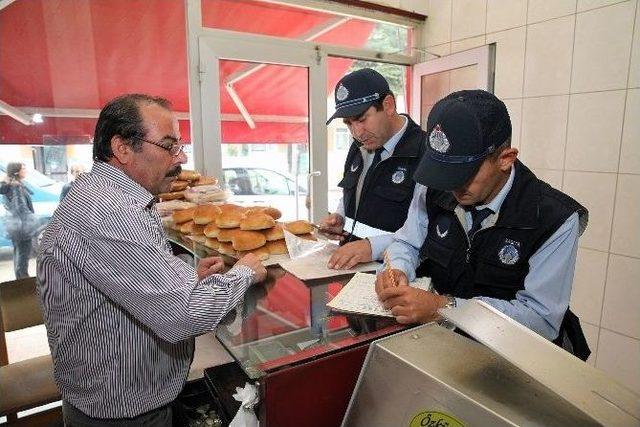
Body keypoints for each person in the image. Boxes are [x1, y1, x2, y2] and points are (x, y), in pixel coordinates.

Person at [37, 93, 268, 425]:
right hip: (123, 412)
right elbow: (180, 317)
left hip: (119, 398)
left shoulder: (110, 196)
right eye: (169, 145)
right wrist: (243, 273)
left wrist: (190, 279)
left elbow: (138, 273)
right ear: (123, 149)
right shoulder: (110, 211)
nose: (181, 157)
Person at [375, 90, 591, 360]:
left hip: (511, 359)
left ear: (505, 159)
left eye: (463, 174)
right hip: (441, 347)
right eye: (443, 172)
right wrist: (396, 269)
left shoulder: (555, 218)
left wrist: (444, 307)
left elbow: (541, 320)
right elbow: (407, 242)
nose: (452, 185)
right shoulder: (434, 186)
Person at [321, 68, 427, 270]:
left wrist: (372, 247)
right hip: (351, 266)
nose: (357, 132)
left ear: (388, 105)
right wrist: (340, 218)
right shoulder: (359, 145)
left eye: (361, 119)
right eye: (349, 123)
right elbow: (353, 190)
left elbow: (427, 229)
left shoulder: (425, 153)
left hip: (397, 272)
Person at [1, 162, 37, 278]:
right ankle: (23, 282)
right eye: (23, 169)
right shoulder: (16, 186)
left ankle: (19, 280)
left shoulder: (10, 185)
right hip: (22, 227)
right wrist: (34, 221)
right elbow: (21, 208)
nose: (25, 170)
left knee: (18, 254)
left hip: (15, 226)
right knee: (23, 257)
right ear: (17, 172)